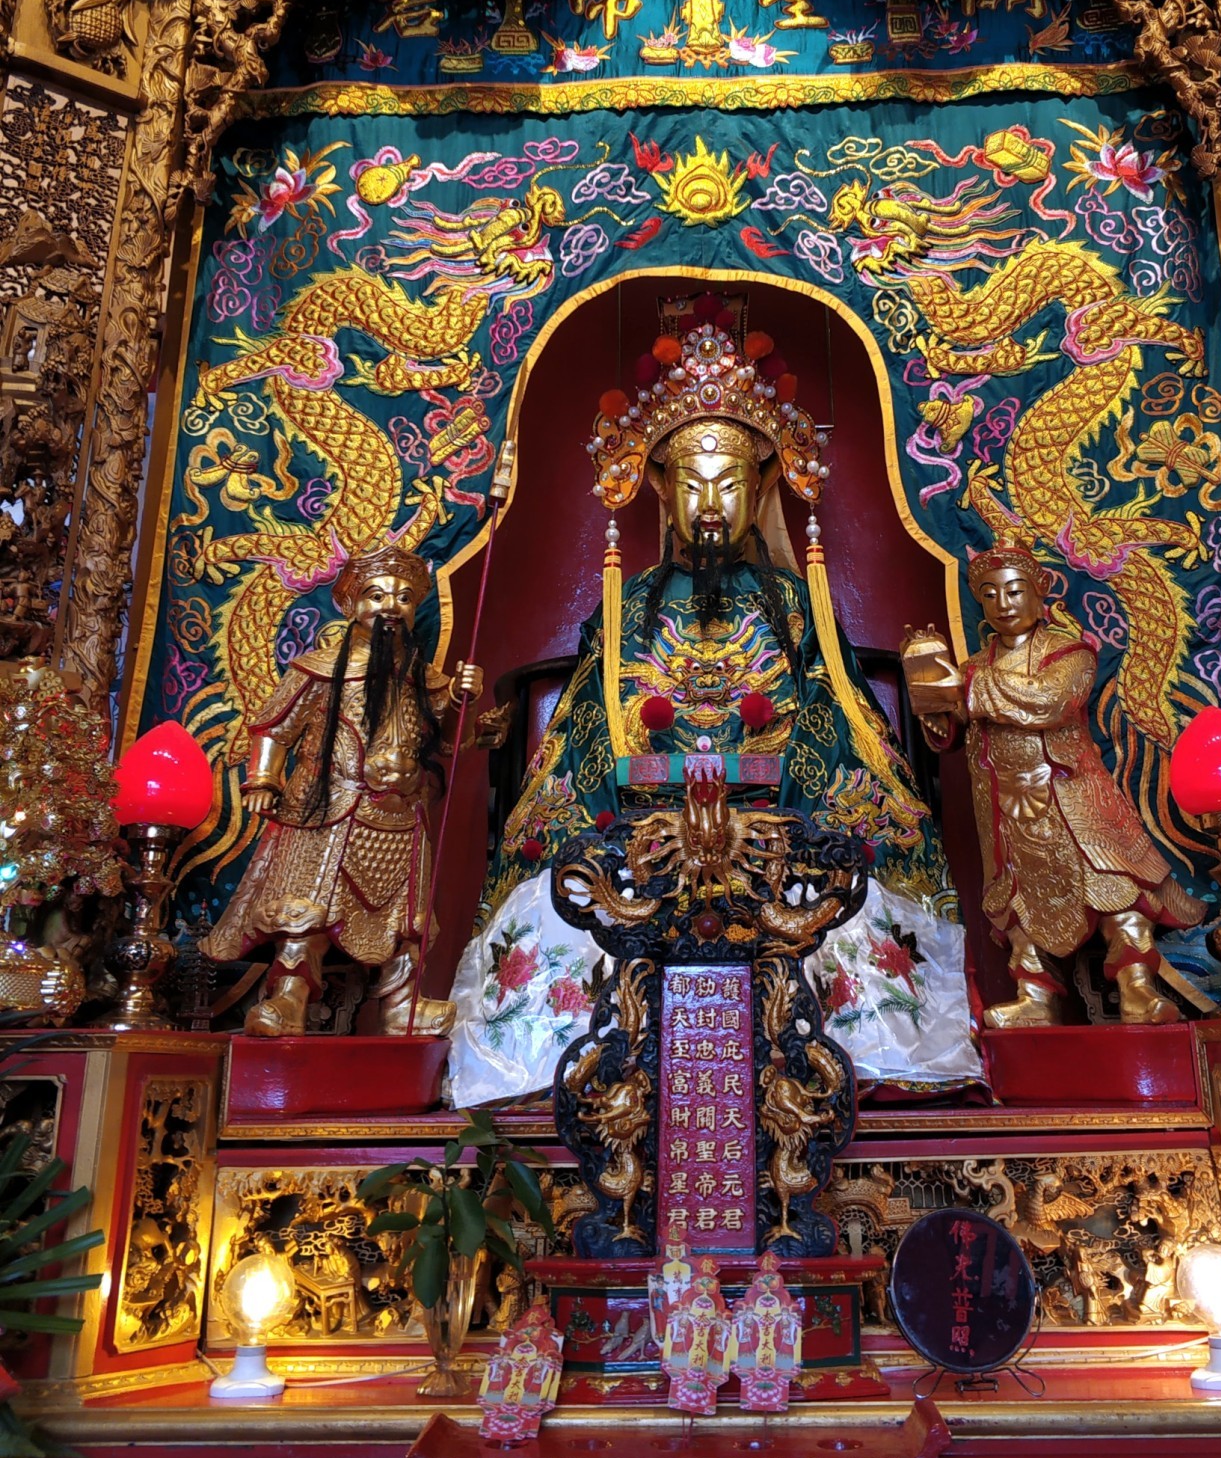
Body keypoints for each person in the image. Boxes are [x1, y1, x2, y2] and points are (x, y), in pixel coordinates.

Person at [448, 297, 982, 1102]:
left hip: (781, 825)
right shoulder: (628, 606)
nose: (707, 506)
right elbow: (587, 728)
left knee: (840, 889)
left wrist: (791, 799)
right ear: (660, 491)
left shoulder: (795, 605)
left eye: (728, 485)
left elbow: (836, 718)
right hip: (640, 830)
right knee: (569, 898)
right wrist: (622, 798)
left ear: (759, 488)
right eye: (690, 485)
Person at [901, 544, 1204, 1027]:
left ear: (1039, 592)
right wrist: (931, 696)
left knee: (1116, 887)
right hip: (1005, 805)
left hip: (1071, 796)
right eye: (989, 595)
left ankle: (1137, 987)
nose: (1003, 603)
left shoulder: (1070, 653)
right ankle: (1035, 996)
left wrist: (964, 690)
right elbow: (952, 731)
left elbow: (1049, 702)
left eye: (1014, 591)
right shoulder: (974, 666)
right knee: (1017, 902)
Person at [203, 547, 482, 1035]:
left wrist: (463, 700)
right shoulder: (319, 669)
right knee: (306, 909)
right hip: (329, 807)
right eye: (376, 596)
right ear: (352, 605)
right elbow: (274, 727)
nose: (390, 606)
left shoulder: (423, 679)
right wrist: (264, 779)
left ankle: (402, 1006)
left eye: (404, 598)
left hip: (400, 811)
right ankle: (290, 997)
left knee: (407, 919)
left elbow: (447, 739)